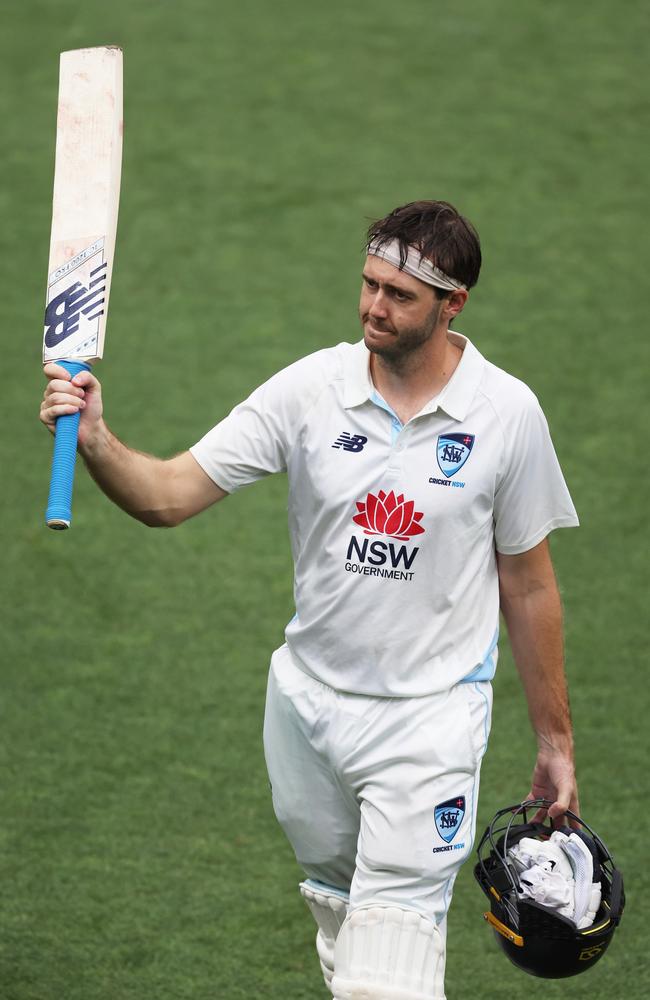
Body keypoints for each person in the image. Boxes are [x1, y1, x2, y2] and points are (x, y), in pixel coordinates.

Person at [40, 200, 580, 1000]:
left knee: (387, 972)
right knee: (341, 927)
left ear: (452, 303)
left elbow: (530, 585)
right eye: (368, 284)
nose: (374, 307)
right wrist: (96, 440)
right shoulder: (310, 391)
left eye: (399, 294)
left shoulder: (507, 415)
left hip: (427, 725)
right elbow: (166, 496)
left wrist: (555, 740)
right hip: (303, 711)